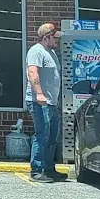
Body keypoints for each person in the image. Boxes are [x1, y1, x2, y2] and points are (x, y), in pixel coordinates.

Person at [24, 22, 65, 182]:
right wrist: (39, 94)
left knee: (52, 135)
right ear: (46, 37)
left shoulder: (51, 52)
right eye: (55, 38)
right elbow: (32, 73)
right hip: (39, 101)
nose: (57, 41)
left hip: (51, 102)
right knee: (42, 134)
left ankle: (49, 168)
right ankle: (36, 170)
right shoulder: (36, 51)